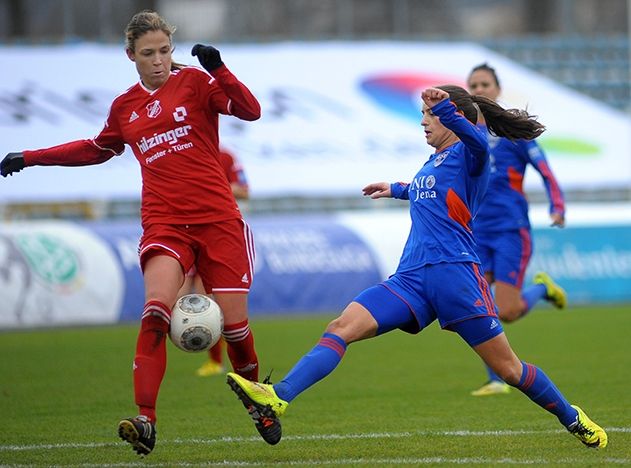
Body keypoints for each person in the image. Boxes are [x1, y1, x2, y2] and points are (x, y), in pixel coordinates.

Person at [224, 86, 607, 450]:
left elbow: (474, 139)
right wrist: (396, 187)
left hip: (456, 276)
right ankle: (278, 398)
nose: (424, 121)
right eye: (423, 114)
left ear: (452, 116)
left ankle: (573, 418)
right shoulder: (433, 160)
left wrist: (445, 108)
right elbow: (430, 189)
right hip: (411, 278)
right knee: (341, 328)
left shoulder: (474, 155)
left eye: (428, 115)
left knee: (509, 370)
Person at [1, 10, 261, 456]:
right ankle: (146, 419)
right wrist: (31, 156)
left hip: (218, 220)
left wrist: (219, 68)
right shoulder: (125, 107)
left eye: (164, 51)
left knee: (235, 330)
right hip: (163, 222)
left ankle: (260, 404)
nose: (158, 61)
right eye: (148, 54)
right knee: (155, 312)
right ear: (130, 56)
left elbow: (250, 111)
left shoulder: (197, 84)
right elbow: (96, 148)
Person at [467, 63, 568, 397]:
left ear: (497, 89)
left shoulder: (513, 132)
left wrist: (557, 206)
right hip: (476, 231)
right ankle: (496, 379)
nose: (479, 90)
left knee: (506, 311)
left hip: (511, 230)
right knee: (477, 303)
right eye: (474, 85)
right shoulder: (465, 133)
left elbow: (545, 170)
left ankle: (544, 289)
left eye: (485, 84)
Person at [176, 148, 250, 377]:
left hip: (216, 233)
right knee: (177, 303)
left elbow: (244, 191)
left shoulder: (226, 157)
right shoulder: (179, 152)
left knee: (204, 300)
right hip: (184, 232)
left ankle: (217, 361)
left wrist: (211, 189)